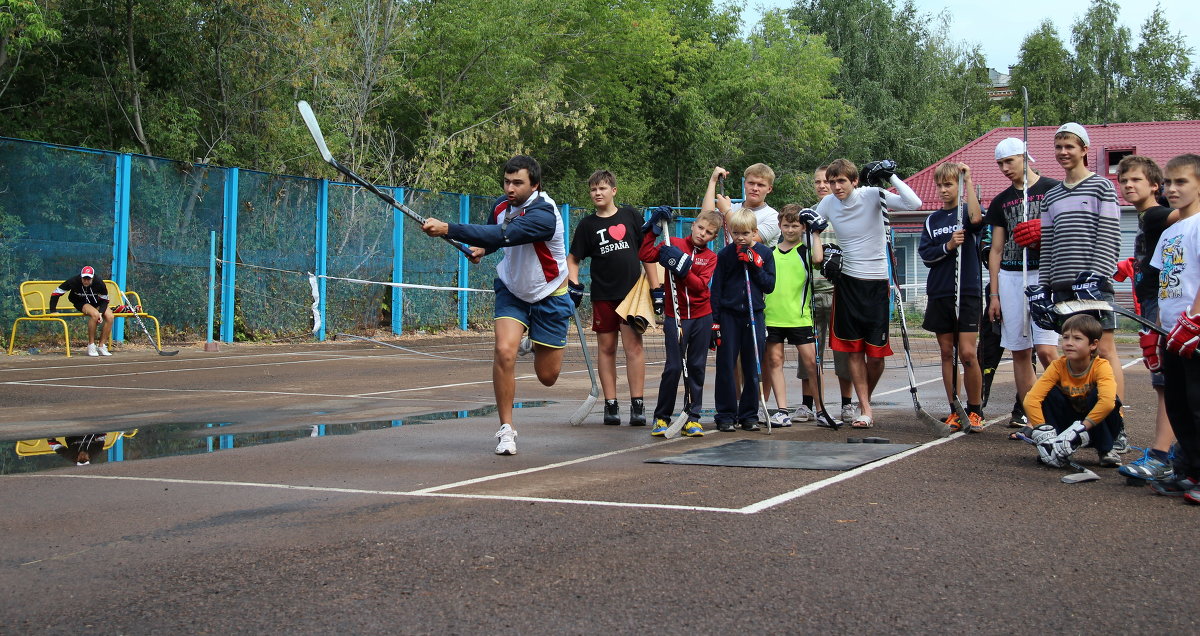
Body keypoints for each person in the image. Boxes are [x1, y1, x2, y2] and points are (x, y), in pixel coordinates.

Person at [421, 155, 571, 456]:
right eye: (506, 181)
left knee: (548, 377)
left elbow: (506, 234)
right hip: (512, 289)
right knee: (503, 351)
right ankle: (506, 429)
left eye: (518, 182)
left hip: (549, 292)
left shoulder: (545, 213)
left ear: (535, 184)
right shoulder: (502, 206)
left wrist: (449, 228)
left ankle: (532, 343)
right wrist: (482, 250)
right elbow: (494, 237)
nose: (510, 188)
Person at [1015, 123, 1124, 402]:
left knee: (1104, 351)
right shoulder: (1052, 195)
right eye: (1058, 147)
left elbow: (1109, 235)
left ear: (1084, 150)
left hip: (1092, 287)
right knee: (1073, 357)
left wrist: (1096, 277)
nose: (1063, 152)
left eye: (1069, 147)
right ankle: (1084, 417)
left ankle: (1115, 418)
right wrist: (1043, 288)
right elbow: (1048, 244)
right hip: (1062, 288)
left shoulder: (1101, 187)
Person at [816, 158, 922, 428]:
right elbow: (812, 224)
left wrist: (892, 177)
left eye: (842, 181)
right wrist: (818, 239)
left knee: (875, 356)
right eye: (832, 182)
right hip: (848, 282)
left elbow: (914, 204)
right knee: (853, 351)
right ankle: (864, 408)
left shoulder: (873, 196)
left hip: (876, 282)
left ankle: (866, 400)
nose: (836, 186)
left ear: (855, 181)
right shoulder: (828, 203)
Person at [567, 170, 656, 426]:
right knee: (606, 350)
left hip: (631, 296)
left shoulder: (630, 216)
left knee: (634, 349)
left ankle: (637, 405)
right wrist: (573, 284)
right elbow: (573, 259)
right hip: (603, 296)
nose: (597, 193)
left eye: (602, 188)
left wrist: (655, 286)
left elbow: (647, 251)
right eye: (593, 189)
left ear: (613, 191)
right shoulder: (587, 225)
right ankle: (610, 404)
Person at [985, 137, 1061, 429]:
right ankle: (1034, 419)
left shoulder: (1052, 190)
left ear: (1025, 157)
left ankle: (1065, 408)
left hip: (1045, 275)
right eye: (1000, 164)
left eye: (1010, 161)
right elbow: (996, 249)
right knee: (1019, 350)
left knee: (1046, 349)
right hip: (1011, 277)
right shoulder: (1001, 200)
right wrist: (994, 294)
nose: (1005, 168)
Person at [1117, 156, 1178, 481]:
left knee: (1165, 382)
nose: (1128, 185)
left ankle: (1161, 454)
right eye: (1124, 180)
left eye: (1136, 180)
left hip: (1163, 302)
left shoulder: (1155, 215)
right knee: (1168, 381)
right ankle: (1174, 452)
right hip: (1153, 300)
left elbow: (1185, 214)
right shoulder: (1147, 219)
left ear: (1155, 185)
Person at [639, 208, 720, 437]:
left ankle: (691, 417)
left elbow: (700, 286)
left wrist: (681, 266)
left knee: (696, 367)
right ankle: (662, 417)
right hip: (675, 317)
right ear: (693, 225)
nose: (703, 234)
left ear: (714, 237)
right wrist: (653, 230)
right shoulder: (672, 242)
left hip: (701, 317)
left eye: (709, 232)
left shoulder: (711, 257)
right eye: (701, 228)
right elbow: (645, 255)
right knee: (674, 367)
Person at [1147, 153, 1200, 500]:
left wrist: (1194, 320)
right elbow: (1163, 282)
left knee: (1198, 404)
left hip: (1193, 333)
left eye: (1181, 182)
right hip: (1171, 333)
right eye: (1168, 182)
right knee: (1178, 404)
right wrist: (1154, 330)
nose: (1172, 189)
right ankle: (1191, 471)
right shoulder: (1171, 231)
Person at [918, 162, 985, 432]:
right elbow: (927, 255)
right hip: (941, 292)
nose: (944, 190)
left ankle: (975, 409)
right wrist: (948, 245)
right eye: (941, 185)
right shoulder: (932, 220)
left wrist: (968, 180)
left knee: (968, 353)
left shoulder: (966, 214)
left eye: (950, 184)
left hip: (966, 291)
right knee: (947, 352)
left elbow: (978, 220)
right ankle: (954, 409)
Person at [760, 204, 838, 429]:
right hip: (772, 317)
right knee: (775, 362)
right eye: (786, 225)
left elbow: (817, 258)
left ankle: (821, 410)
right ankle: (782, 410)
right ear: (779, 226)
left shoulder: (805, 251)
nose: (790, 230)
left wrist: (815, 232)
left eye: (795, 225)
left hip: (800, 318)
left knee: (812, 363)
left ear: (802, 227)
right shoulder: (770, 253)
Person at [1024, 314, 1123, 468]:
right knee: (1048, 394)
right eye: (1065, 338)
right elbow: (1032, 399)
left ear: (1093, 344)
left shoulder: (1101, 366)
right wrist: (1042, 432)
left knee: (1100, 396)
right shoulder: (1057, 366)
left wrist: (1081, 429)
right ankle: (1055, 446)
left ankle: (1106, 450)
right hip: (1069, 424)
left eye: (1077, 338)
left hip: (1097, 426)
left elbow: (1107, 403)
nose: (1069, 343)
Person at [711, 208, 776, 432]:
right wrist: (715, 320)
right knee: (726, 365)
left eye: (746, 233)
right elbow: (716, 289)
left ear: (755, 232)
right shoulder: (725, 255)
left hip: (754, 314)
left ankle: (749, 414)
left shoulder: (766, 254)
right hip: (729, 316)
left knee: (752, 364)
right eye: (736, 233)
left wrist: (755, 264)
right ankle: (726, 414)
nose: (741, 238)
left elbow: (769, 285)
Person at [803, 165, 856, 425]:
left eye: (827, 181)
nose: (823, 186)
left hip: (838, 292)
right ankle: (808, 405)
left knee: (843, 352)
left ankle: (847, 404)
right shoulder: (809, 216)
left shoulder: (845, 212)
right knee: (810, 353)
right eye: (818, 182)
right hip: (812, 294)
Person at [704, 164, 780, 247]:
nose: (755, 188)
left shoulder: (774, 217)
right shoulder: (732, 208)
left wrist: (726, 211)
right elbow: (706, 220)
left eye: (760, 185)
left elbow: (745, 242)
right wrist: (713, 181)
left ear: (769, 189)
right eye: (751, 183)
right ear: (744, 184)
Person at [49, 265, 114, 357]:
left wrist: (101, 312)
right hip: (80, 302)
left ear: (93, 277)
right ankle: (91, 345)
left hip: (97, 302)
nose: (86, 281)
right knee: (94, 315)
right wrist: (53, 310)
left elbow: (105, 300)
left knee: (110, 316)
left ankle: (102, 345)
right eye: (84, 278)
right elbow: (56, 292)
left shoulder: (99, 283)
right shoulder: (73, 281)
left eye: (88, 279)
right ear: (81, 277)